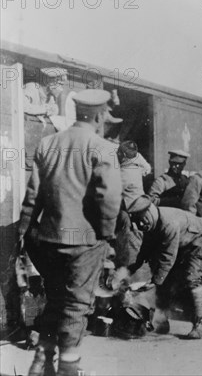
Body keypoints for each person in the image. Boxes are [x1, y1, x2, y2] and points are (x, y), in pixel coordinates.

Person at [18, 89, 121, 376]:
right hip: (84, 241)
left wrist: (25, 231)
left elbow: (32, 196)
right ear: (100, 116)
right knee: (77, 306)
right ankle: (67, 368)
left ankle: (41, 359)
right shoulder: (102, 148)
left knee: (57, 300)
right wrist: (107, 235)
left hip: (48, 239)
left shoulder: (48, 143)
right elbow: (109, 198)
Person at [127, 195, 202, 339]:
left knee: (192, 277)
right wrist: (129, 270)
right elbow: (145, 250)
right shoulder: (152, 224)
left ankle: (200, 324)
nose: (139, 225)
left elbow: (168, 257)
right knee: (162, 276)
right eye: (136, 222)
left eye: (141, 220)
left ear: (149, 212)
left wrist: (155, 282)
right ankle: (161, 321)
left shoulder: (169, 224)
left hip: (199, 239)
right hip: (183, 242)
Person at [23, 68, 67, 172]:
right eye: (60, 85)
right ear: (52, 83)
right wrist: (44, 109)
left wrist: (52, 109)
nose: (62, 89)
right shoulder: (32, 87)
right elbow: (23, 106)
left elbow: (53, 110)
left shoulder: (50, 96)